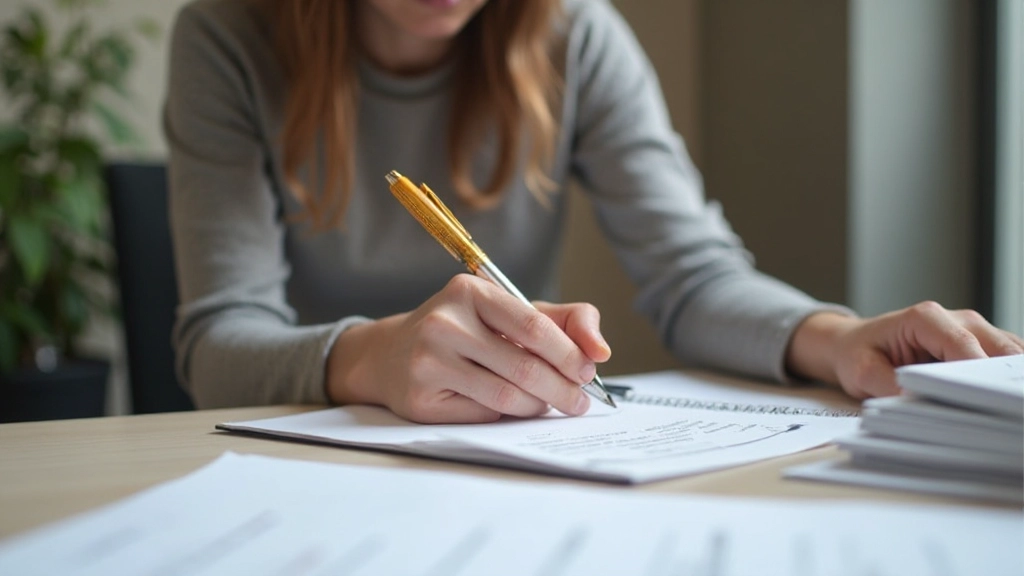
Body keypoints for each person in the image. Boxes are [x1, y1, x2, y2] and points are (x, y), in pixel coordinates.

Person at [164, 0, 1023, 424]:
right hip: (295, 457)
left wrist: (838, 339)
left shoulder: (574, 35)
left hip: (498, 458)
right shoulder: (227, 36)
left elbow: (692, 276)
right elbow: (219, 342)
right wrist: (371, 360)